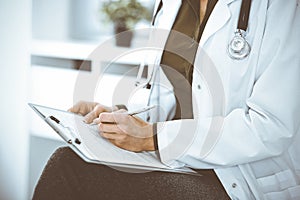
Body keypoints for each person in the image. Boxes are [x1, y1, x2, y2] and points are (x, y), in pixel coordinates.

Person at [33, 0, 300, 199]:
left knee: (68, 170)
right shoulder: (172, 5)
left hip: (238, 180)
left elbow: (271, 126)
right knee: (71, 160)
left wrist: (152, 137)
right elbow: (168, 95)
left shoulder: (279, 7)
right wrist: (123, 118)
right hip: (175, 161)